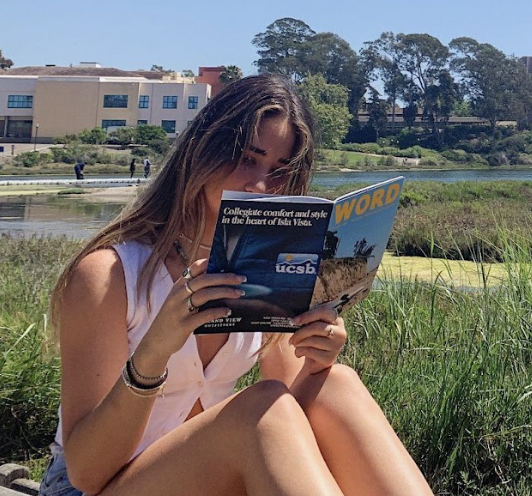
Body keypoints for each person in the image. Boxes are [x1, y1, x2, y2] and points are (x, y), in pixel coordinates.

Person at [43, 75, 434, 496]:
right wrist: (155, 349)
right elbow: (86, 470)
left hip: (202, 482)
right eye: (248, 159)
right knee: (257, 408)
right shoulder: (110, 274)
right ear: (204, 149)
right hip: (94, 487)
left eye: (280, 171)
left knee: (336, 383)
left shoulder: (269, 269)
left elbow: (292, 409)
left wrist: (316, 358)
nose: (260, 186)